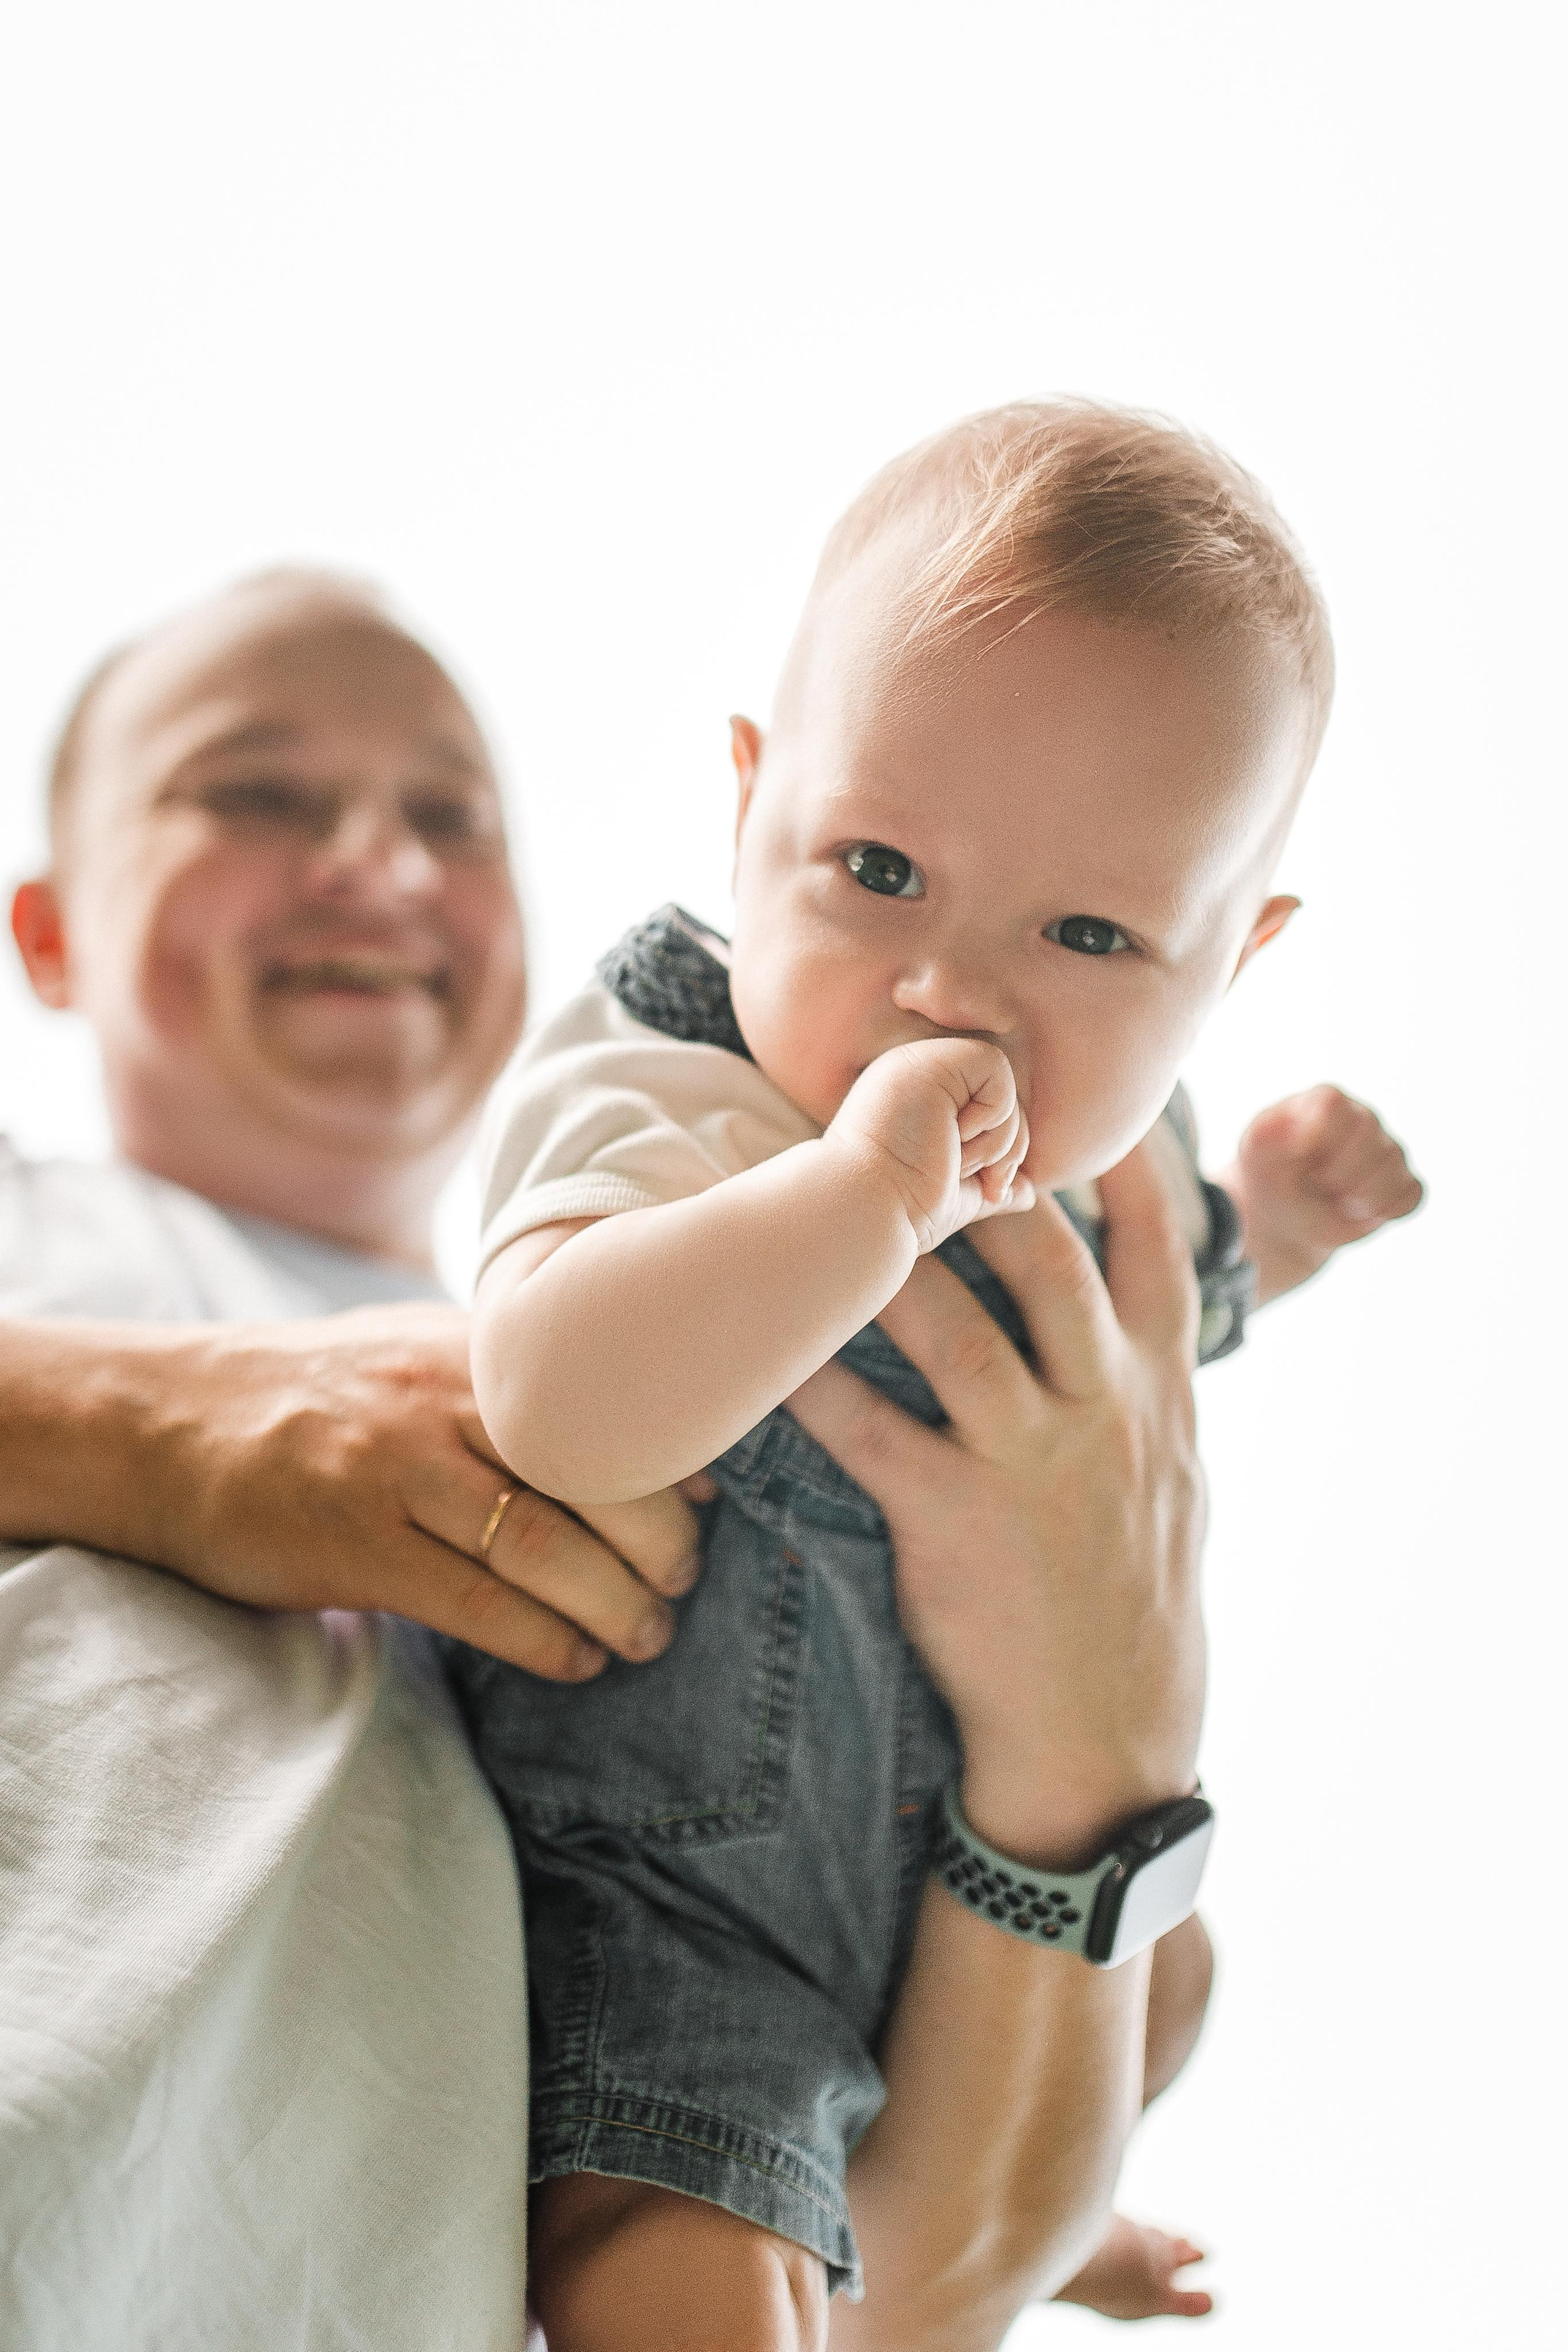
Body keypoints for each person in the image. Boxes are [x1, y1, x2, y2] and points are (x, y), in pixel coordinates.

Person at [1, 563, 1229, 2352]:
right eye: (255, 792)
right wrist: (150, 1436)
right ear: (45, 930)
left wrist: (1100, 1751)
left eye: (455, 816)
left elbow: (923, 2284)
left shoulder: (766, 1378)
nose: (388, 862)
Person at [459, 401, 1423, 2351]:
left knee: (1181, 1978)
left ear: (1231, 968)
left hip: (939, 1924)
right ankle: (919, 2224)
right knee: (693, 2257)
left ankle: (1044, 2211)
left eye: (1088, 933)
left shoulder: (1112, 1163)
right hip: (678, 1923)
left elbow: (1190, 1307)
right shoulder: (677, 1084)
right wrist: (856, 1201)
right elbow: (557, 1397)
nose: (954, 993)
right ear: (750, 814)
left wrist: (1275, 1222)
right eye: (877, 869)